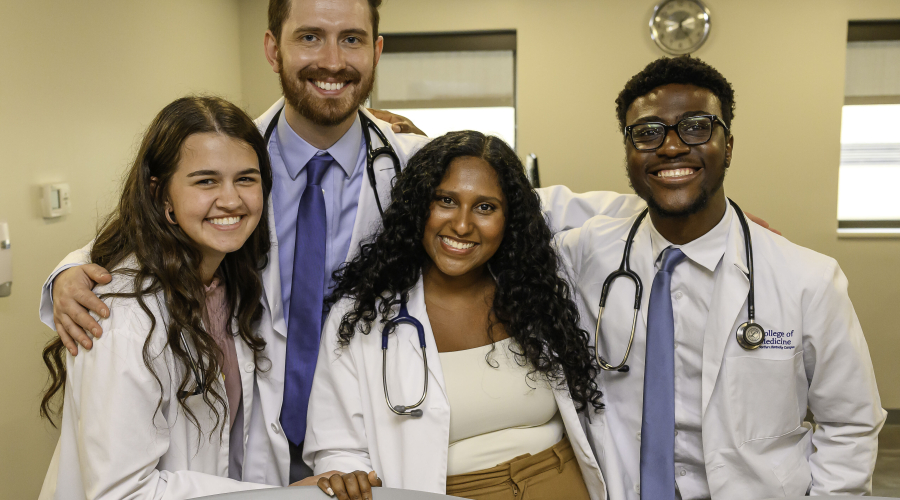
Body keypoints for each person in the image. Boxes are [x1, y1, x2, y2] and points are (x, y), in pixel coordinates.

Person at [38, 0, 652, 487]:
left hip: (365, 442)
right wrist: (68, 272)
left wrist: (704, 217)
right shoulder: (229, 151)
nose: (332, 59)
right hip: (252, 451)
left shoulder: (415, 164)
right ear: (273, 47)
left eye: (351, 39)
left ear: (376, 51)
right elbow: (147, 224)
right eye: (310, 36)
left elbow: (538, 207)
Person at [555, 56, 886, 500]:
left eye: (695, 126)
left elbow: (850, 423)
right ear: (629, 153)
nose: (671, 146)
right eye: (648, 132)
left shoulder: (809, 278)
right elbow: (501, 202)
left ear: (728, 146)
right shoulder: (583, 254)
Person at [304, 130, 608, 500]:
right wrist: (345, 475)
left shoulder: (536, 295)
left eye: (485, 207)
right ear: (419, 205)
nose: (462, 225)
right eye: (446, 200)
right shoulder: (362, 317)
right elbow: (337, 447)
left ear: (509, 218)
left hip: (561, 482)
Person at [38, 96, 278, 498]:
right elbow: (123, 492)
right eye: (206, 181)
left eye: (246, 179)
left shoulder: (224, 283)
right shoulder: (121, 316)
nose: (232, 199)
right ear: (161, 194)